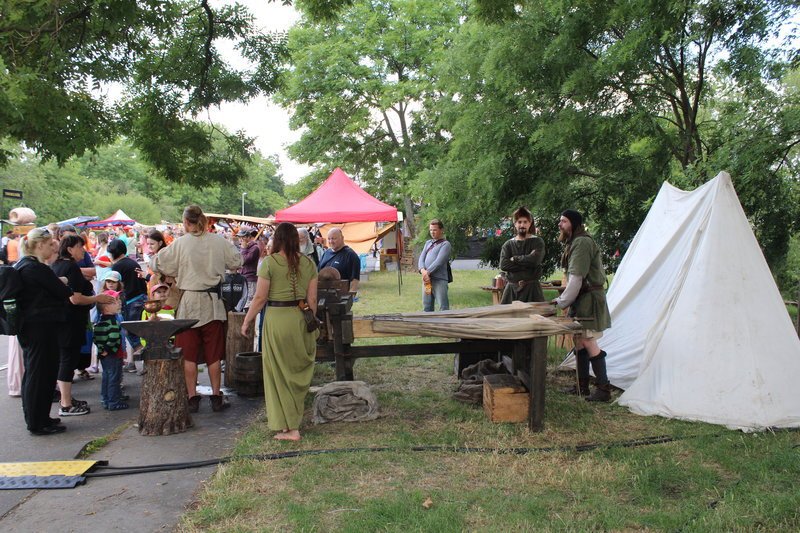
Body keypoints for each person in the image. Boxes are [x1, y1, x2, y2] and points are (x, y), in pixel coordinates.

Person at [149, 205, 242, 413]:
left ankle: (192, 398)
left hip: (190, 302)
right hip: (212, 303)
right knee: (214, 355)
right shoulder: (219, 241)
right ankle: (216, 396)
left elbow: (156, 263)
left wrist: (174, 271)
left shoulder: (180, 244)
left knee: (189, 355)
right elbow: (237, 261)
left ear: (185, 222)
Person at [241, 222, 318, 442]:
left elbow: (260, 298)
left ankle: (289, 427)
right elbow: (312, 300)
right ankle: (290, 424)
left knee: (277, 373)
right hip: (300, 318)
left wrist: (247, 321)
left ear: (278, 239)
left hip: (276, 319)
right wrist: (309, 321)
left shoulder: (269, 263)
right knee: (293, 371)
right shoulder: (309, 263)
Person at [15, 228, 73, 435]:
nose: (52, 248)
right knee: (41, 374)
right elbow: (63, 292)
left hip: (32, 328)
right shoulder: (36, 268)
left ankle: (39, 417)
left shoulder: (24, 266)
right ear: (40, 245)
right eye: (50, 245)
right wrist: (63, 282)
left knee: (36, 372)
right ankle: (37, 422)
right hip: (40, 327)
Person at [552, 209, 612, 402]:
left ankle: (603, 389)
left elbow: (577, 278)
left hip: (589, 298)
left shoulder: (582, 242)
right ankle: (582, 385)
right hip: (582, 298)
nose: (560, 224)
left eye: (564, 221)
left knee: (588, 340)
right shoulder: (574, 242)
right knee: (579, 340)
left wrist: (562, 302)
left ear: (574, 223)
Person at [51, 235, 115, 416]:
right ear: (70, 249)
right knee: (67, 360)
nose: (83, 250)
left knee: (66, 359)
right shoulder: (70, 267)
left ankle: (67, 399)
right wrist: (97, 298)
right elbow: (75, 298)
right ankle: (66, 404)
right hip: (70, 322)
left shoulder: (57, 265)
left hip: (63, 321)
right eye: (80, 247)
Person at [109, 238, 148, 372]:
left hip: (131, 302)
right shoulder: (132, 262)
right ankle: (134, 363)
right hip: (143, 299)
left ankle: (145, 361)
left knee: (131, 332)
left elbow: (114, 287)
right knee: (142, 331)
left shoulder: (117, 267)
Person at [499, 207, 546, 304]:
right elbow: (503, 265)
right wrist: (528, 261)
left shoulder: (537, 242)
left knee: (536, 318)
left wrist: (514, 259)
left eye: (525, 222)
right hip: (512, 290)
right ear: (515, 223)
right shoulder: (508, 245)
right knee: (508, 318)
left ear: (530, 223)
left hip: (533, 290)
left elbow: (536, 260)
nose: (522, 225)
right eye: (519, 222)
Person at [94, 290, 129, 410]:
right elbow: (114, 337)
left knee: (106, 376)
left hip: (104, 354)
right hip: (113, 354)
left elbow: (96, 338)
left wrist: (101, 350)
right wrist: (108, 349)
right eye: (115, 302)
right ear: (106, 308)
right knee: (114, 377)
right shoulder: (113, 322)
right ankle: (114, 402)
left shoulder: (100, 322)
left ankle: (106, 398)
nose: (119, 303)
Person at [417, 219, 452, 312]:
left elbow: (439, 262)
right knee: (427, 306)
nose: (432, 232)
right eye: (431, 230)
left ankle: (445, 325)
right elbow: (421, 259)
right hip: (427, 280)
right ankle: (428, 326)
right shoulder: (427, 243)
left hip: (439, 280)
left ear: (441, 230)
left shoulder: (446, 244)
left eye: (435, 230)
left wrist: (426, 273)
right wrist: (422, 271)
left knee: (443, 307)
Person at [318, 228, 360, 294]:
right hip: (323, 295)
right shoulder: (326, 253)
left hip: (341, 297)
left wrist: (350, 297)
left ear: (342, 238)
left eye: (334, 238)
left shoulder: (350, 255)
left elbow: (354, 280)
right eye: (329, 239)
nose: (331, 241)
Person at [237, 226, 260, 310]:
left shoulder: (254, 248)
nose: (240, 239)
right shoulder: (245, 247)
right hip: (243, 277)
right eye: (239, 237)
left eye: (242, 237)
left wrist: (243, 248)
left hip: (250, 279)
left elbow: (244, 260)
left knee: (249, 301)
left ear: (248, 237)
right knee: (243, 300)